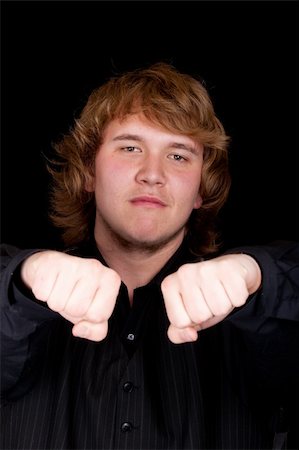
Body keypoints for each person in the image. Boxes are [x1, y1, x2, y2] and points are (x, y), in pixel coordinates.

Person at [1, 62, 298, 450]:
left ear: (200, 191)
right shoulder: (22, 290)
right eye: (130, 148)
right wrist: (25, 280)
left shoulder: (248, 315)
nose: (152, 173)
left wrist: (258, 277)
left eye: (178, 156)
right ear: (89, 172)